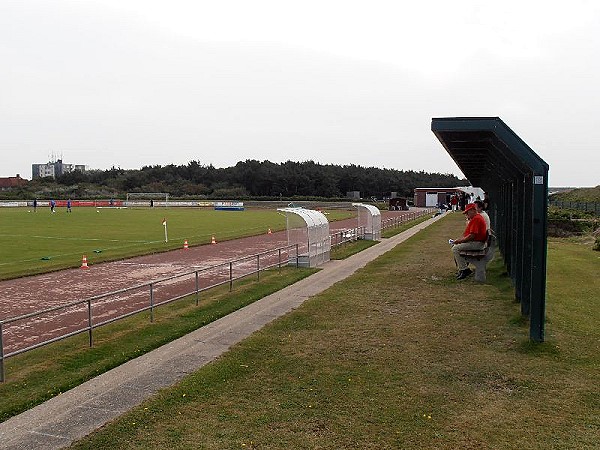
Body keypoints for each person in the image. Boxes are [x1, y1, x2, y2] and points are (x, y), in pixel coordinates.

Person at [451, 203, 488, 280]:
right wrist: (460, 241)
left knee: (455, 249)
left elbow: (472, 236)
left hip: (477, 244)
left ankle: (464, 270)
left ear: (472, 210)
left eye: (467, 212)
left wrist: (460, 241)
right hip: (478, 242)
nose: (466, 214)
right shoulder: (476, 218)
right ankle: (462, 269)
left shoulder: (476, 219)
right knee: (455, 246)